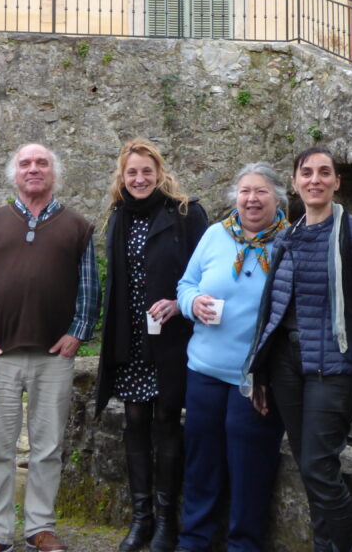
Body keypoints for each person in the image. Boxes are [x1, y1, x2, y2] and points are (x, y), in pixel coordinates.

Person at [246, 147, 352, 552]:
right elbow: (273, 309)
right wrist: (259, 372)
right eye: (306, 173)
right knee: (311, 468)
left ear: (336, 182)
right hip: (288, 366)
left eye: (324, 173)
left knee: (317, 465)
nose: (315, 179)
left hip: (334, 367)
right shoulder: (288, 236)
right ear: (294, 183)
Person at [0, 143, 101, 552]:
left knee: (48, 447)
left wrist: (77, 332)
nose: (33, 169)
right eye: (25, 163)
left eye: (42, 163)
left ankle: (40, 526)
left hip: (53, 358)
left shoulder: (77, 227)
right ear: (14, 174)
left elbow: (90, 289)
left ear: (54, 173)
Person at [95, 139, 208, 552]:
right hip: (131, 336)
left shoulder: (185, 213)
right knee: (135, 422)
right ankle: (140, 517)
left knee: (165, 422)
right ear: (122, 178)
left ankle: (166, 521)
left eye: (146, 171)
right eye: (132, 173)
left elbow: (204, 271)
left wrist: (182, 303)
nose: (139, 179)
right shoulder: (118, 215)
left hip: (171, 336)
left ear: (159, 173)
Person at [175, 162, 289, 552]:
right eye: (245, 191)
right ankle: (194, 540)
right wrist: (193, 303)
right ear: (235, 197)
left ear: (278, 198)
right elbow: (186, 284)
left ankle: (244, 544)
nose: (252, 199)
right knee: (201, 463)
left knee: (250, 468)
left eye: (261, 192)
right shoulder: (214, 235)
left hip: (256, 377)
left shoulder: (290, 243)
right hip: (205, 369)